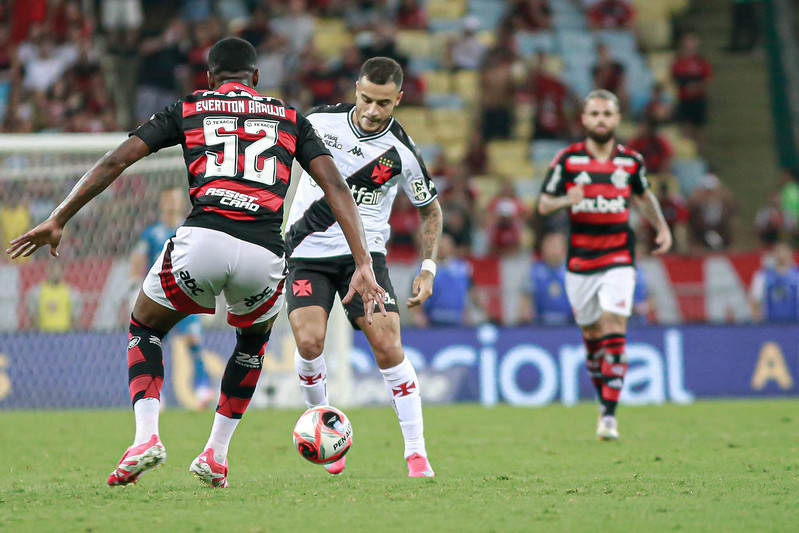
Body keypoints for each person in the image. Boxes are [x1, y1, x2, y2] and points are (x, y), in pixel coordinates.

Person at [6, 37, 386, 489]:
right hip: (265, 253)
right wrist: (363, 262)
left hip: (203, 238)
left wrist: (58, 218)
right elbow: (338, 190)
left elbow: (116, 161)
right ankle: (216, 455)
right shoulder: (289, 117)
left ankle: (146, 437)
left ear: (210, 78)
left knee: (145, 327)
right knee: (250, 345)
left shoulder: (190, 108)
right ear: (256, 79)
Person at [284, 57, 442, 477]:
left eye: (384, 104)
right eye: (367, 99)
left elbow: (431, 211)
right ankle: (327, 434)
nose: (373, 111)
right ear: (356, 89)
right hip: (307, 251)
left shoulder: (403, 152)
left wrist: (428, 267)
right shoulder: (317, 122)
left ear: (399, 99)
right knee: (309, 342)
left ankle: (416, 452)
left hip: (366, 261)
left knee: (389, 345)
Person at [537, 89, 672, 441]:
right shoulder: (568, 160)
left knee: (614, 325)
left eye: (607, 114)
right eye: (594, 114)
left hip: (618, 257)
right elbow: (543, 205)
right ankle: (604, 399)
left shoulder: (631, 162)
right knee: (593, 337)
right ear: (584, 119)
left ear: (616, 119)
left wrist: (661, 227)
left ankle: (609, 417)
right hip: (580, 261)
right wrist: (570, 198)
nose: (600, 120)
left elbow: (644, 196)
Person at [129, 187, 213, 409]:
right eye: (168, 199)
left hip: (187, 293)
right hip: (159, 297)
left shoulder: (189, 230)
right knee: (154, 343)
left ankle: (203, 388)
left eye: (176, 199)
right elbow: (137, 259)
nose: (172, 203)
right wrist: (133, 286)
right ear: (161, 203)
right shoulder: (151, 233)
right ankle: (156, 395)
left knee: (194, 341)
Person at [411, 233, 474, 327]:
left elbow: (468, 291)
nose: (442, 249)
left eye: (445, 246)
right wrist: (418, 315)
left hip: (457, 318)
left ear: (451, 247)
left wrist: (468, 313)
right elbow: (415, 295)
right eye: (439, 247)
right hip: (432, 319)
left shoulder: (462, 268)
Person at [520, 232, 572, 326]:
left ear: (564, 249)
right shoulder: (533, 271)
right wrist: (525, 320)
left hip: (569, 325)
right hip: (540, 325)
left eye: (555, 246)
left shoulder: (573, 273)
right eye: (549, 246)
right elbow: (526, 302)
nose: (552, 250)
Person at [749, 242, 799, 322]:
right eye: (779, 253)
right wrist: (756, 318)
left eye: (785, 253)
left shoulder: (797, 274)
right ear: (774, 255)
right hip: (770, 324)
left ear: (791, 254)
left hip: (795, 323)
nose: (782, 256)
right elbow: (755, 299)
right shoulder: (763, 275)